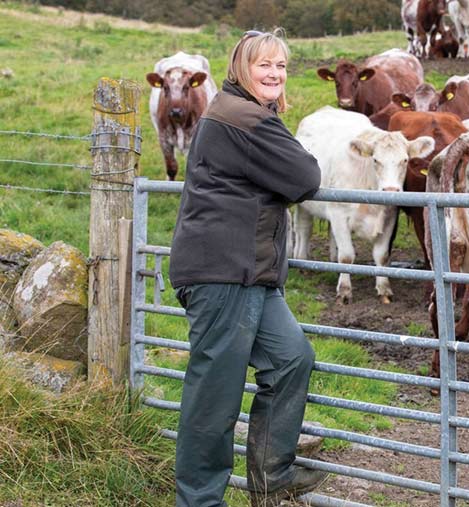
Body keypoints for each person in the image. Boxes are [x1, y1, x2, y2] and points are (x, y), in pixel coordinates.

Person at [168, 28, 326, 507]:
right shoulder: (244, 117)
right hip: (223, 273)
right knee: (214, 396)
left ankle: (269, 480)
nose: (275, 73)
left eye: (281, 66)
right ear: (241, 70)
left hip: (249, 272)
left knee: (291, 357)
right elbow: (305, 176)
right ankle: (199, 501)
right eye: (264, 65)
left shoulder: (244, 114)